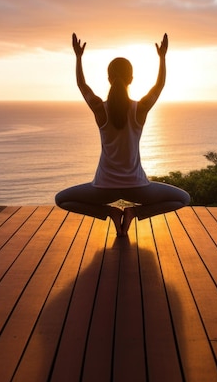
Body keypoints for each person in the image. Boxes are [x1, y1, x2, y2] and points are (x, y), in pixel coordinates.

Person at [55, 32, 190, 236]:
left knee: (61, 199)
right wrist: (162, 58)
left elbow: (82, 86)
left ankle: (110, 213)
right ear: (131, 79)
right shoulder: (140, 109)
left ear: (108, 79)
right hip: (137, 187)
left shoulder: (100, 109)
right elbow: (159, 86)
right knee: (183, 198)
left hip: (103, 188)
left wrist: (78, 57)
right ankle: (134, 213)